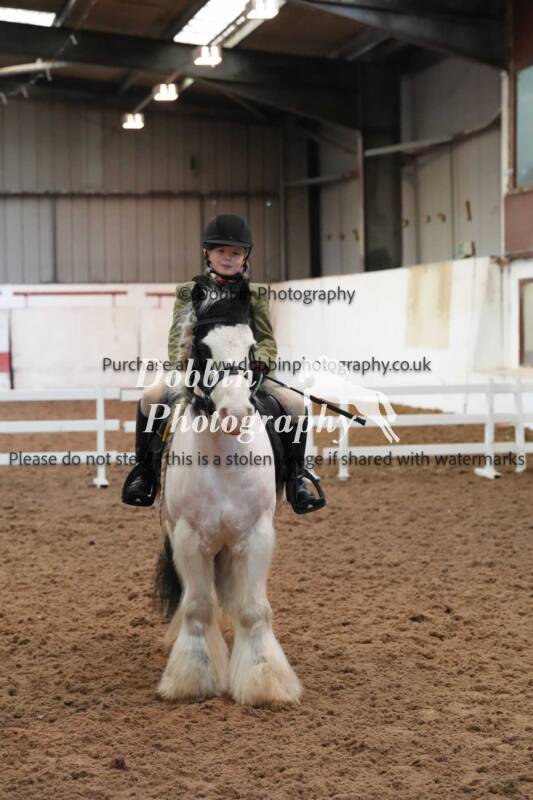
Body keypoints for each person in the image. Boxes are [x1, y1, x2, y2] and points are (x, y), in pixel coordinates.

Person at [122, 213, 325, 514]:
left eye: (235, 252)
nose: (228, 258)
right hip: (199, 374)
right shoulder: (189, 291)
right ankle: (145, 473)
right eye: (221, 251)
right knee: (150, 398)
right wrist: (186, 368)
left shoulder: (256, 294)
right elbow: (178, 338)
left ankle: (296, 478)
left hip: (246, 374)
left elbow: (266, 339)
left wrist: (260, 362)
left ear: (245, 257)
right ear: (207, 253)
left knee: (295, 404)